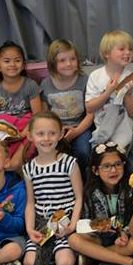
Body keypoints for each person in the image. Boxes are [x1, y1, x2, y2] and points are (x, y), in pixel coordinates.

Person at [68, 142, 133, 265]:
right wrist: (97, 227)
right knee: (73, 239)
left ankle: (93, 256)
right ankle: (128, 262)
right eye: (106, 166)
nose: (113, 170)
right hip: (98, 238)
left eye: (118, 164)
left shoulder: (130, 189)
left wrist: (124, 233)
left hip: (123, 240)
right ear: (95, 170)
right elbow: (85, 222)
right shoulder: (90, 192)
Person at [22, 112, 83, 265]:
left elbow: (79, 198)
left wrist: (72, 225)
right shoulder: (29, 168)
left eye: (52, 133)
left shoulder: (69, 163)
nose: (46, 138)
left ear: (61, 134)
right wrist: (30, 229)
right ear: (30, 136)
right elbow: (30, 203)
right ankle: (48, 253)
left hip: (65, 222)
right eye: (40, 134)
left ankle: (67, 252)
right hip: (42, 224)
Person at [84, 30, 133, 165]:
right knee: (102, 168)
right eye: (122, 49)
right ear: (107, 53)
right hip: (105, 133)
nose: (127, 53)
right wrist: (108, 92)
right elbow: (90, 107)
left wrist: (126, 94)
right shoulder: (95, 76)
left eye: (130, 49)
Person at [0, 41, 42, 170]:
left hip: (25, 131)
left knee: (13, 164)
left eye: (17, 60)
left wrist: (22, 134)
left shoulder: (30, 85)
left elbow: (37, 115)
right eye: (7, 61)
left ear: (23, 64)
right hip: (0, 133)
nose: (12, 64)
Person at [41, 39, 94, 175]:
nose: (69, 64)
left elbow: (91, 114)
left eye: (72, 59)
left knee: (83, 151)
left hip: (81, 127)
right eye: (62, 60)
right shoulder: (46, 84)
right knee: (51, 154)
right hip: (55, 130)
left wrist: (76, 131)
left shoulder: (85, 80)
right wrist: (56, 131)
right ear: (53, 63)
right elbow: (44, 115)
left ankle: (84, 182)